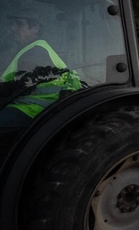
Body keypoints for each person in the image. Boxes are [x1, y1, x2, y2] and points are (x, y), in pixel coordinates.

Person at [0, 8, 81, 137]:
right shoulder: (33, 49)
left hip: (32, 110)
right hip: (30, 107)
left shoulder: (35, 52)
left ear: (35, 28)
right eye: (12, 24)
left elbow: (22, 85)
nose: (13, 28)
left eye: (19, 24)